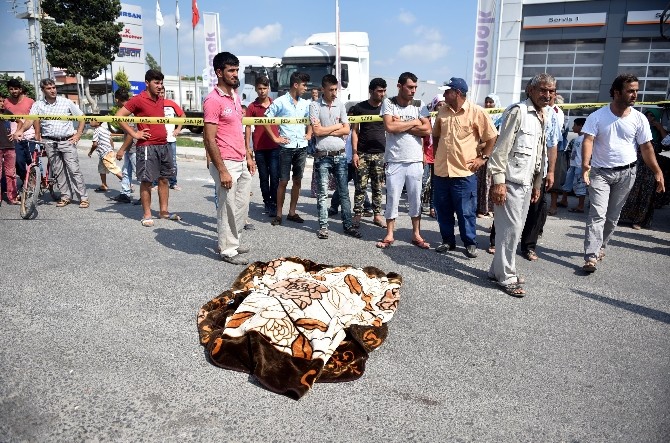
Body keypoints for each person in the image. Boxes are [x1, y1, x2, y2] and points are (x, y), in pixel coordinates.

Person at [581, 74, 665, 273]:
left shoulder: (639, 118)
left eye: (636, 90)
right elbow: (588, 141)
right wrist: (586, 165)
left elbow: (646, 147)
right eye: (630, 90)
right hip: (600, 173)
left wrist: (657, 171)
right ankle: (591, 257)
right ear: (617, 92)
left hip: (627, 173)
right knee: (598, 214)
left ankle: (601, 246)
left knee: (612, 217)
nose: (635, 94)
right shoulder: (598, 116)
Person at [487, 73, 552, 297]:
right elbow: (501, 149)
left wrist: (536, 184)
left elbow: (538, 155)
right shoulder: (518, 112)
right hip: (510, 181)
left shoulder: (544, 115)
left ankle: (497, 271)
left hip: (526, 183)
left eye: (551, 91)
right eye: (543, 90)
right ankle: (507, 276)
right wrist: (498, 182)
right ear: (530, 90)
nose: (547, 95)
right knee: (510, 231)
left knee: (513, 230)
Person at [431, 77, 498, 258]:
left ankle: (469, 242)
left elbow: (492, 137)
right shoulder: (442, 112)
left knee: (466, 211)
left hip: (464, 172)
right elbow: (436, 135)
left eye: (447, 91)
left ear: (457, 93)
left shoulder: (477, 112)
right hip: (442, 171)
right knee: (443, 209)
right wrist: (437, 155)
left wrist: (483, 158)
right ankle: (447, 241)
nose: (444, 94)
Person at [203, 52, 256, 265]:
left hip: (241, 160)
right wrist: (222, 169)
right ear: (219, 72)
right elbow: (209, 138)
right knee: (227, 207)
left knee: (241, 206)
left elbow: (238, 130)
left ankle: (234, 240)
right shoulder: (213, 100)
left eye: (237, 70)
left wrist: (248, 155)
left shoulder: (234, 96)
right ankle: (227, 249)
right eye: (231, 71)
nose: (236, 74)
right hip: (226, 163)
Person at [11, 78, 88, 208]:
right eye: (49, 88)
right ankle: (65, 196)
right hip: (49, 141)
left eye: (53, 87)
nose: (52, 90)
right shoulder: (38, 105)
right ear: (43, 90)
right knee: (58, 171)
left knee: (74, 170)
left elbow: (82, 117)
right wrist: (21, 131)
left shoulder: (66, 102)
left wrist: (78, 134)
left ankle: (83, 197)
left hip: (66, 140)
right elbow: (30, 120)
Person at [375, 72, 432, 249]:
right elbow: (390, 127)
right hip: (394, 160)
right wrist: (414, 123)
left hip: (415, 160)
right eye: (410, 87)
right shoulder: (389, 102)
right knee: (392, 197)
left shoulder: (419, 104)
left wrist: (403, 126)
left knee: (416, 199)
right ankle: (390, 234)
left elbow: (428, 130)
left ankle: (416, 234)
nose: (413, 91)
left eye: (415, 87)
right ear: (399, 86)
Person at [116, 69, 179, 226]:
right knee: (146, 181)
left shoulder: (160, 99)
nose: (159, 86)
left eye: (161, 83)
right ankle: (147, 214)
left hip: (163, 144)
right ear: (147, 83)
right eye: (156, 83)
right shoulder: (138, 100)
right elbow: (118, 116)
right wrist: (135, 133)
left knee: (164, 178)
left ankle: (163, 211)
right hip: (147, 147)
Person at [310, 74, 360, 239]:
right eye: (330, 89)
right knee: (323, 193)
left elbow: (347, 130)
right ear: (323, 89)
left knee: (344, 192)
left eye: (335, 89)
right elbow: (316, 131)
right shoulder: (314, 105)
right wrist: (338, 125)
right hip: (322, 156)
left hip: (339, 155)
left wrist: (328, 129)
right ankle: (323, 227)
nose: (334, 93)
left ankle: (347, 226)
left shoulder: (340, 105)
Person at [264, 71, 312, 226]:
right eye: (304, 85)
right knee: (283, 181)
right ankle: (279, 214)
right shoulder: (280, 101)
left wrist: (309, 133)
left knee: (297, 181)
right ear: (295, 85)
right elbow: (266, 119)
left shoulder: (305, 103)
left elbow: (312, 119)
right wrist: (275, 138)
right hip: (286, 147)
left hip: (301, 147)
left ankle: (292, 212)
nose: (306, 88)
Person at [350, 77, 388, 228]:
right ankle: (358, 215)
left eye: (384, 91)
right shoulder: (359, 108)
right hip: (363, 152)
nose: (382, 94)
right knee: (360, 186)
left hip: (380, 153)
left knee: (378, 187)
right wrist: (355, 153)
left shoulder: (386, 108)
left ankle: (377, 215)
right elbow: (354, 131)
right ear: (371, 91)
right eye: (379, 91)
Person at [245, 76, 280, 217]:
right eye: (259, 88)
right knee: (264, 177)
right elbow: (247, 127)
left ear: (269, 88)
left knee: (275, 176)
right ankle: (267, 202)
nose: (262, 91)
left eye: (264, 88)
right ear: (255, 89)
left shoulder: (275, 104)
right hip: (259, 147)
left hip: (274, 146)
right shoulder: (252, 107)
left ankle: (275, 202)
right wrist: (248, 148)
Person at [3, 78, 35, 190]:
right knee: (18, 161)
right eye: (11, 89)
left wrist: (39, 135)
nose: (14, 91)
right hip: (14, 137)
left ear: (20, 89)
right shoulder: (6, 102)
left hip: (30, 135)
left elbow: (35, 119)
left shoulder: (30, 101)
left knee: (32, 161)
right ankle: (25, 180)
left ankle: (35, 181)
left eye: (16, 89)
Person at [476, 94, 502, 218]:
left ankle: (489, 208)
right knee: (481, 181)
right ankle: (481, 208)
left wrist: (485, 146)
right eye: (486, 102)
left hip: (493, 153)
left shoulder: (500, 118)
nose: (488, 105)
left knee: (491, 182)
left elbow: (498, 137)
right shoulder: (481, 116)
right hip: (480, 154)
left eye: (491, 102)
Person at [112, 89, 137, 204]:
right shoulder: (127, 109)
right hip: (130, 148)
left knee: (140, 173)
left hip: (136, 147)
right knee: (126, 171)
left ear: (117, 99)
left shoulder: (128, 111)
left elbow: (131, 133)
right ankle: (125, 193)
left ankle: (144, 196)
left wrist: (121, 150)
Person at [557, 117, 587, 213]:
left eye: (575, 125)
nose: (573, 127)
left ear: (581, 126)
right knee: (567, 182)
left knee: (580, 185)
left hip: (580, 166)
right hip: (573, 164)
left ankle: (580, 205)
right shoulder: (577, 138)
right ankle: (564, 200)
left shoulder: (586, 139)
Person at [161, 89, 185, 191]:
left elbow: (182, 115)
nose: (160, 94)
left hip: (170, 139)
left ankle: (173, 183)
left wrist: (178, 129)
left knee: (173, 162)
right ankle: (155, 183)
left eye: (162, 92)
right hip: (158, 139)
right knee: (157, 162)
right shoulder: (152, 104)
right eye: (159, 92)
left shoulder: (170, 103)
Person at [88, 119, 123, 190]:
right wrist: (111, 150)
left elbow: (95, 144)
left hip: (105, 153)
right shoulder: (104, 130)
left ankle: (128, 184)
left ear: (98, 122)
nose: (89, 121)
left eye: (92, 120)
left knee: (113, 168)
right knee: (102, 169)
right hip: (106, 153)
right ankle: (104, 185)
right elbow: (111, 140)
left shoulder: (97, 130)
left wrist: (90, 152)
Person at [0, 98, 18, 204]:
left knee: (11, 173)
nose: (2, 103)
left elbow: (19, 121)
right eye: (0, 101)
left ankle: (13, 197)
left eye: (2, 101)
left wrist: (15, 132)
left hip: (9, 146)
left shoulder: (7, 112)